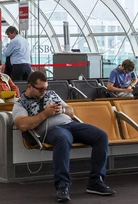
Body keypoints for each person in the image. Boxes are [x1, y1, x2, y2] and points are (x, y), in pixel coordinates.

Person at [13, 71, 115, 202]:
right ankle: (62, 185)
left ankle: (96, 181)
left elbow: (71, 111)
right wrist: (45, 114)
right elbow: (22, 124)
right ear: (30, 86)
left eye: (46, 88)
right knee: (62, 139)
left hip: (70, 124)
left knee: (101, 136)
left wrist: (62, 110)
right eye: (40, 89)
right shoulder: (20, 103)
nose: (44, 91)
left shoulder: (51, 94)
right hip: (52, 130)